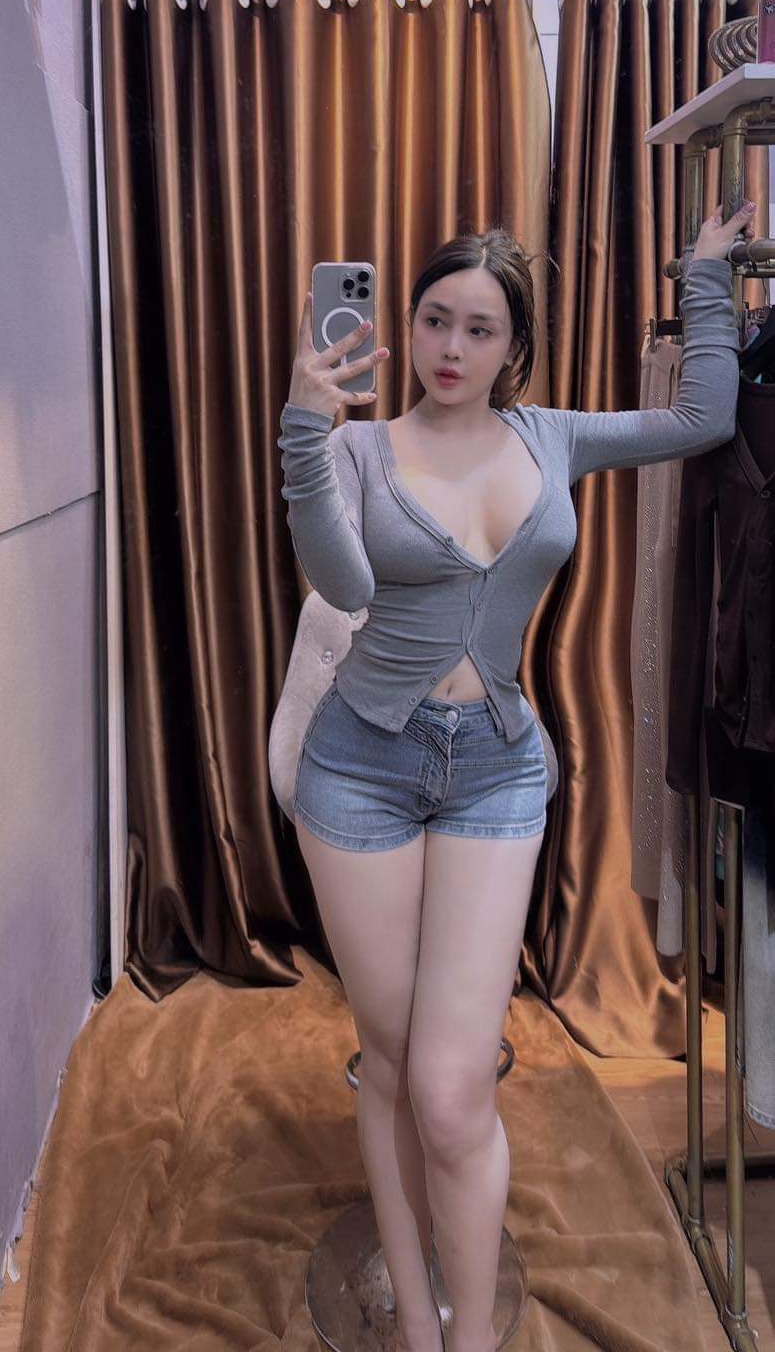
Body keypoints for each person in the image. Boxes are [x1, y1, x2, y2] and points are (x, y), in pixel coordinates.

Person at [277, 202, 755, 1352]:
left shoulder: (554, 438)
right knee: (393, 1062)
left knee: (452, 1089)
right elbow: (345, 587)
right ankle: (421, 1315)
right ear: (406, 326)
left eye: (480, 328)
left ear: (514, 346)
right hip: (359, 770)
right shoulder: (358, 447)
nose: (452, 346)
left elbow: (704, 415)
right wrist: (303, 429)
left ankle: (473, 1339)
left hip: (496, 771)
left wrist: (704, 281)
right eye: (435, 319)